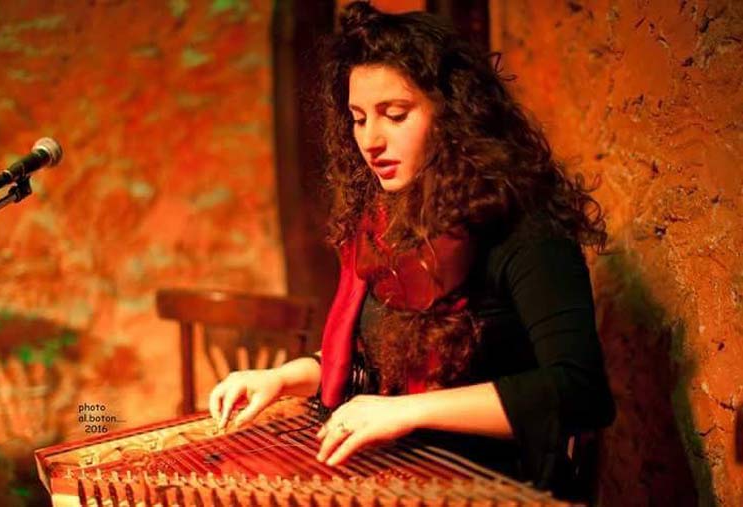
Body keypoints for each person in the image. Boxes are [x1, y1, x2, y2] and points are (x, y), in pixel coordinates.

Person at [209, 1, 615, 499]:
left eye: (395, 115)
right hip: (400, 474)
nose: (371, 140)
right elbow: (378, 366)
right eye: (358, 119)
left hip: (495, 484)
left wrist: (406, 412)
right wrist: (281, 378)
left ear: (453, 114)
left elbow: (580, 393)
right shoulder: (388, 224)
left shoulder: (525, 229)